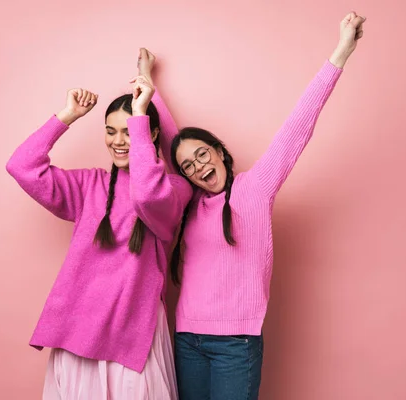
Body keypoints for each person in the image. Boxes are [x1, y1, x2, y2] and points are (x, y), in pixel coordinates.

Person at [150, 12, 366, 400]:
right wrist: (148, 88)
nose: (198, 167)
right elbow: (172, 140)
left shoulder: (255, 188)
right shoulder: (189, 201)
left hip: (235, 344)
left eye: (203, 154)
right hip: (186, 339)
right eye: (188, 166)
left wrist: (341, 53)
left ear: (219, 151)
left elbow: (299, 124)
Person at [6, 59, 191, 399]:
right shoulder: (90, 185)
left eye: (128, 130)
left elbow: (148, 194)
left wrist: (142, 107)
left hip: (134, 339)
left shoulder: (175, 189)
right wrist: (67, 116)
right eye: (110, 131)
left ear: (149, 134)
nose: (119, 141)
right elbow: (21, 166)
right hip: (78, 334)